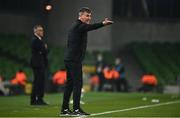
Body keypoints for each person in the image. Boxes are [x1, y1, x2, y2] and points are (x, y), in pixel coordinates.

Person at [60, 7, 113, 116]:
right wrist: (103, 23)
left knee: (70, 85)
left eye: (90, 16)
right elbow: (91, 27)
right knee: (77, 84)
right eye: (87, 15)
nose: (89, 18)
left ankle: (64, 109)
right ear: (80, 16)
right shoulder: (79, 26)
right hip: (74, 60)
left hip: (70, 58)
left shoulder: (77, 26)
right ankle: (76, 109)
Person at [30, 25, 48, 105]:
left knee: (39, 82)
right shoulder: (35, 40)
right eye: (40, 30)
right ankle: (37, 99)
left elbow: (44, 51)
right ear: (35, 31)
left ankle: (35, 99)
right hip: (37, 64)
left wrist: (44, 49)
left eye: (42, 30)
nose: (42, 32)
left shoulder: (40, 40)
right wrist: (44, 48)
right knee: (38, 82)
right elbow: (43, 50)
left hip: (40, 63)